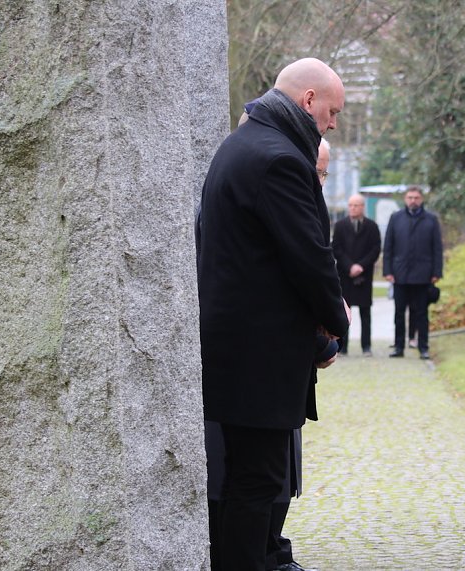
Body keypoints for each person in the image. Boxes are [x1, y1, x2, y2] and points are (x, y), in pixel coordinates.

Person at [196, 58, 350, 571]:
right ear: (308, 101)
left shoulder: (242, 145)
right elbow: (308, 256)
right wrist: (337, 320)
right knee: (257, 482)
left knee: (249, 479)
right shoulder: (279, 158)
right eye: (331, 111)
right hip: (257, 357)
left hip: (240, 348)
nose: (331, 123)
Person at [383, 186, 443, 360]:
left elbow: (437, 248)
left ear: (421, 199)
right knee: (399, 314)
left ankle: (423, 347)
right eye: (410, 197)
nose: (413, 200)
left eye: (416, 197)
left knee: (422, 314)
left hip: (423, 275)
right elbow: (388, 247)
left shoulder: (431, 220)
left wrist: (436, 272)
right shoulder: (396, 218)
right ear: (405, 199)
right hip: (400, 274)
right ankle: (399, 346)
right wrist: (388, 270)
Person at [332, 192, 381, 357]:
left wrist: (360, 266)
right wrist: (350, 266)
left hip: (364, 275)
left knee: (365, 312)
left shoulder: (372, 226)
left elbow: (375, 249)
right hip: (345, 275)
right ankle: (342, 347)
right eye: (350, 205)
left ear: (362, 207)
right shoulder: (340, 225)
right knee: (344, 312)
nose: (352, 208)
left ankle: (366, 346)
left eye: (356, 205)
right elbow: (336, 248)